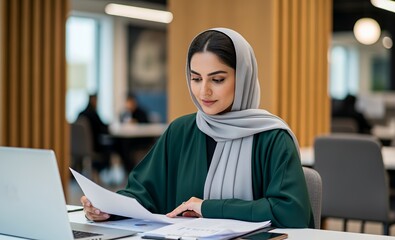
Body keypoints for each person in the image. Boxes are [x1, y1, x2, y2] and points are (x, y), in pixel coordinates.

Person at [81, 28, 313, 228]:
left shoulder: (272, 137)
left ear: (243, 78)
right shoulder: (180, 131)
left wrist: (209, 207)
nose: (204, 92)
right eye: (196, 78)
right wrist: (108, 209)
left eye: (217, 79)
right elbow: (143, 194)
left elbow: (290, 213)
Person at [77, 94, 111, 173]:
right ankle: (99, 172)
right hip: (94, 147)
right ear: (93, 100)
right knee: (112, 146)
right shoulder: (93, 114)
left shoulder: (80, 114)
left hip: (80, 148)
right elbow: (103, 129)